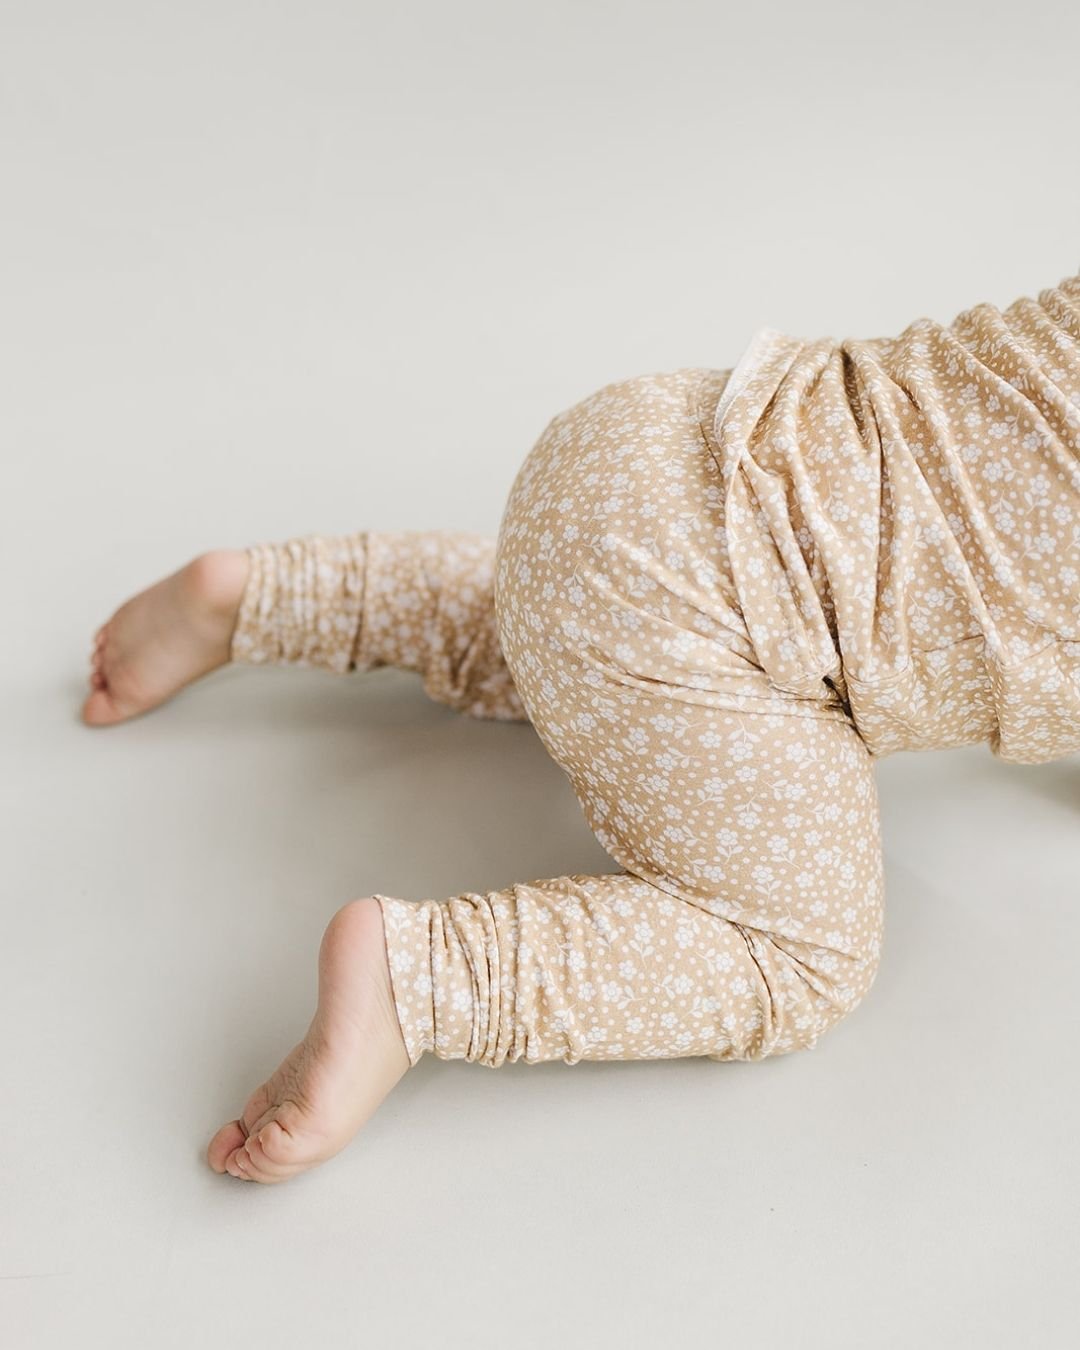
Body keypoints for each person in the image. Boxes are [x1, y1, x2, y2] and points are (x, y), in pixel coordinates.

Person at [82, 267, 1080, 1185]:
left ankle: (267, 596)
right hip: (704, 619)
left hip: (648, 441)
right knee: (804, 959)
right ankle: (427, 978)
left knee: (569, 646)